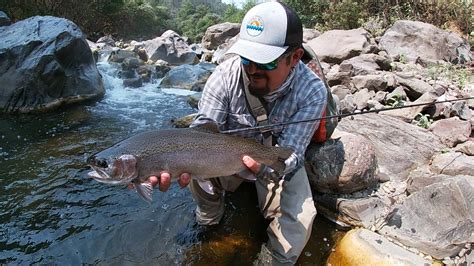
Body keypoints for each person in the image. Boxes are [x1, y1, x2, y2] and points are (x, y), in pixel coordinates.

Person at [148, 2, 327, 265]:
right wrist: (172, 162)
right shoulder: (224, 77)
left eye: (264, 61)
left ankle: (271, 259)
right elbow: (201, 132)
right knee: (196, 167)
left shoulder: (312, 91)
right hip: (222, 160)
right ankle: (209, 221)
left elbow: (293, 153)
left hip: (271, 160)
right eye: (246, 58)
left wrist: (267, 168)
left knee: (299, 220)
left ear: (295, 58)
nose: (252, 69)